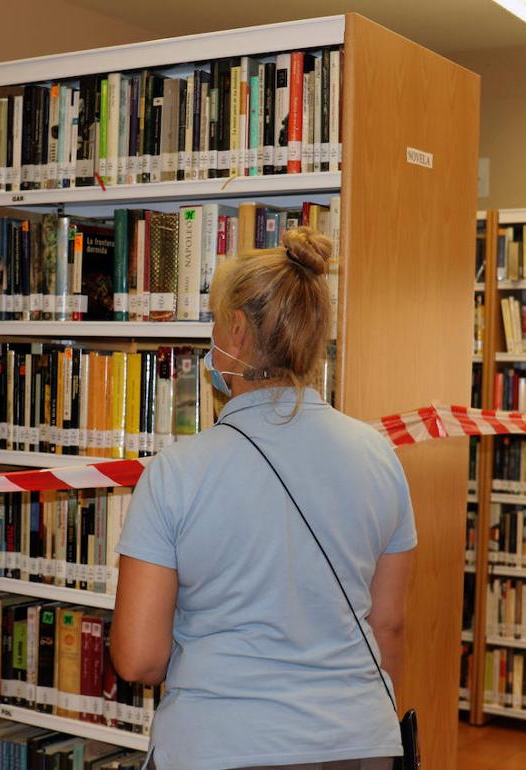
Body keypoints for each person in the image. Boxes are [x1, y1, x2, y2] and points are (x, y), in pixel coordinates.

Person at [111, 226, 418, 770]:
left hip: (220, 746)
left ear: (234, 330)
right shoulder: (380, 457)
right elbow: (388, 626)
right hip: (359, 744)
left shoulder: (176, 474)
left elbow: (138, 659)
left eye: (212, 326)